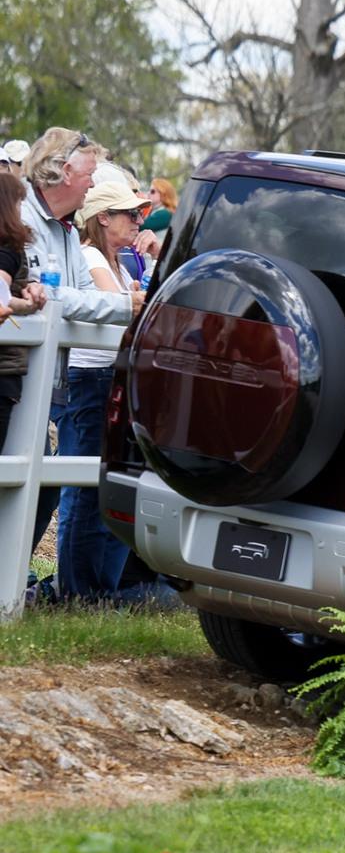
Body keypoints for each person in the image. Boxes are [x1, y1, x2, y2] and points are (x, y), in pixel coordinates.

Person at [19, 129, 140, 588]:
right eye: (89, 174)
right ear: (65, 170)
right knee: (34, 485)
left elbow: (80, 295)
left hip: (45, 384)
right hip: (19, 378)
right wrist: (125, 306)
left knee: (40, 489)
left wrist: (117, 304)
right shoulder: (24, 219)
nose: (91, 186)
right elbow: (53, 296)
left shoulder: (64, 231)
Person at [57, 177, 150, 600]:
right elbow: (129, 309)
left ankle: (100, 589)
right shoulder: (90, 254)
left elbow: (140, 304)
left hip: (112, 378)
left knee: (113, 485)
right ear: (103, 217)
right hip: (93, 380)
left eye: (140, 213)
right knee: (84, 488)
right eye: (130, 213)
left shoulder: (121, 261)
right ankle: (77, 590)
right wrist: (135, 298)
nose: (137, 221)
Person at [0, 161, 51, 451]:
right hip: (4, 370)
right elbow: (1, 296)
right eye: (20, 202)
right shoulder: (7, 246)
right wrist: (29, 305)